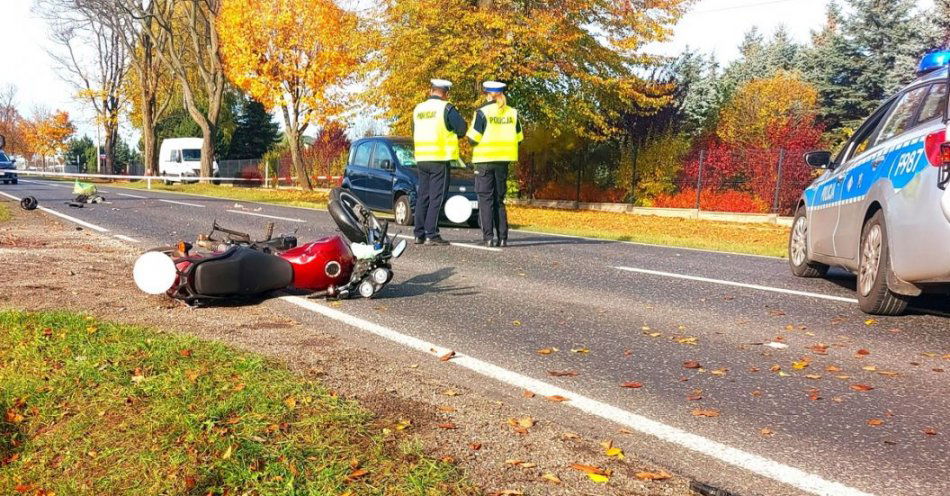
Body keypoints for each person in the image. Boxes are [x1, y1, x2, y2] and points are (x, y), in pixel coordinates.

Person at [466, 81, 523, 247]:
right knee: (499, 199)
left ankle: (489, 238)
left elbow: (473, 139)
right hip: (503, 162)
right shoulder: (513, 113)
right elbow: (519, 139)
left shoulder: (482, 112)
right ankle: (503, 237)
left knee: (485, 199)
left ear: (488, 94)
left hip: (484, 161)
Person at [412, 79, 468, 246]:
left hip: (422, 158)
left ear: (431, 91)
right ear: (446, 93)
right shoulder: (447, 108)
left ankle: (418, 234)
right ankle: (432, 233)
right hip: (439, 158)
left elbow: (414, 131)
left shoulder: (418, 109)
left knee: (423, 195)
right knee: (436, 197)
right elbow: (462, 129)